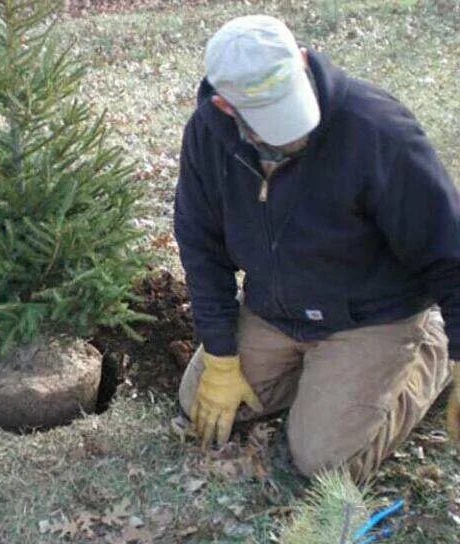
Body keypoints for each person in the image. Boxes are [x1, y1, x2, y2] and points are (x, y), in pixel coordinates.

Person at [173, 14, 460, 482]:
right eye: (273, 124)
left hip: (372, 315)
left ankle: (429, 347)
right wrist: (222, 358)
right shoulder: (208, 137)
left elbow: (449, 246)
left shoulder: (377, 130)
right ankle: (319, 381)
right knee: (197, 401)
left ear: (303, 61)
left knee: (324, 459)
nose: (295, 135)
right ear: (226, 106)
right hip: (275, 309)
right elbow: (200, 246)